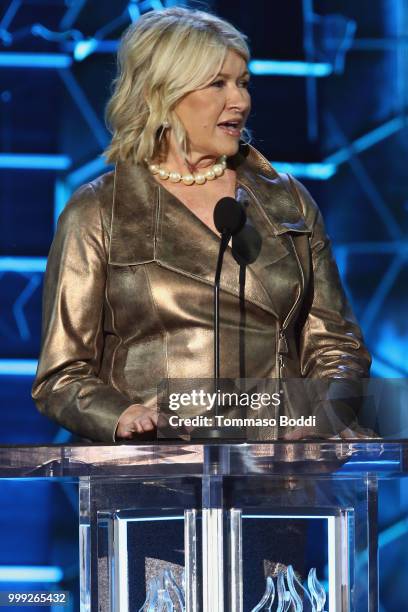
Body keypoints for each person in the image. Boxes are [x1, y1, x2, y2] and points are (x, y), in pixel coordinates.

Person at [32, 7, 371, 443]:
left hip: (278, 476)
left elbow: (337, 346)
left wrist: (325, 414)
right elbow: (61, 375)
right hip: (156, 478)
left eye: (243, 82)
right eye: (217, 84)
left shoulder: (287, 201)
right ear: (163, 93)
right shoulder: (98, 212)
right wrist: (121, 415)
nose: (241, 101)